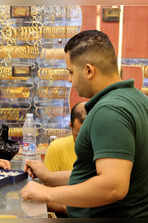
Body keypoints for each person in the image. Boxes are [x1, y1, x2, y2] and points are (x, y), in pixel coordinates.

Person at [20, 30, 148, 218]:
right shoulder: (138, 100)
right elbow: (95, 173)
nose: (70, 80)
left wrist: (47, 193)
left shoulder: (109, 112)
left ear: (89, 70)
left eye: (71, 72)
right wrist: (48, 177)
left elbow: (113, 186)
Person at [44, 102, 86, 171]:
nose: (85, 141)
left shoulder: (104, 149)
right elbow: (48, 180)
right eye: (79, 136)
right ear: (71, 126)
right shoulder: (56, 149)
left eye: (89, 135)